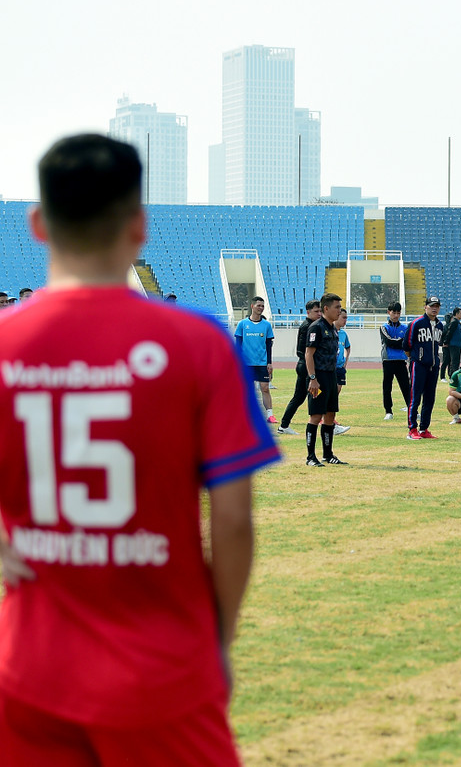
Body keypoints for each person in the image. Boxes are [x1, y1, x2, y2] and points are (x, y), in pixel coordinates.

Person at [0, 133, 278, 764]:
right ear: (139, 225)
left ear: (38, 224)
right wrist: (221, 640)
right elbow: (233, 520)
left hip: (28, 671)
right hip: (161, 669)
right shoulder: (198, 343)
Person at [303, 294, 346, 466]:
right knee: (315, 416)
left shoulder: (334, 329)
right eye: (336, 307)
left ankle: (327, 454)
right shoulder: (316, 328)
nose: (339, 310)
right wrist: (313, 378)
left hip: (330, 376)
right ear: (326, 309)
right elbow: (309, 354)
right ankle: (310, 457)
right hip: (318, 377)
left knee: (330, 415)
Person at [277, 299, 322, 435]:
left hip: (304, 365)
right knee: (317, 395)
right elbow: (301, 350)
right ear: (308, 312)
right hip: (306, 366)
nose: (319, 314)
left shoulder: (312, 325)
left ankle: (284, 425)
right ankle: (328, 423)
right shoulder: (308, 326)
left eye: (320, 311)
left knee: (299, 397)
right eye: (316, 311)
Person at [405, 296, 444, 440]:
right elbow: (407, 344)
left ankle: (424, 428)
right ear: (425, 307)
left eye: (437, 306)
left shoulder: (440, 325)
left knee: (430, 398)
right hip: (419, 365)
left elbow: (438, 344)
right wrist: (416, 358)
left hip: (433, 367)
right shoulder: (417, 323)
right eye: (432, 305)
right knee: (415, 398)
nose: (434, 308)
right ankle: (412, 429)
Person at [233, 295, 276, 424]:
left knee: (265, 388)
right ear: (252, 306)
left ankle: (270, 415)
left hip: (262, 363)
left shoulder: (266, 325)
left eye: (262, 306)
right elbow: (238, 344)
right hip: (246, 363)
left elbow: (269, 345)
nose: (261, 308)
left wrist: (269, 363)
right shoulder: (242, 324)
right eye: (258, 305)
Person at [379, 302, 410, 420]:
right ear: (388, 312)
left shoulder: (405, 328)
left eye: (398, 313)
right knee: (387, 387)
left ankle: (412, 409)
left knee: (406, 386)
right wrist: (400, 342)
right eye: (394, 312)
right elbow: (389, 342)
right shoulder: (384, 327)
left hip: (401, 360)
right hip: (388, 360)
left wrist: (399, 343)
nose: (396, 315)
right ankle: (388, 411)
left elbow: (406, 343)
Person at [331, 308, 352, 436]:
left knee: (336, 393)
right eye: (343, 317)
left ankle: (329, 417)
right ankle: (327, 418)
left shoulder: (343, 334)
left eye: (346, 318)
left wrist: (345, 362)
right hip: (329, 369)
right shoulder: (329, 331)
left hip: (340, 368)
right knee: (329, 393)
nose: (345, 320)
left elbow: (348, 348)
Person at [440, 307, 461, 380]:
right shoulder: (454, 322)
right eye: (460, 313)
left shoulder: (457, 322)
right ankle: (453, 377)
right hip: (454, 345)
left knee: (455, 361)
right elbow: (449, 332)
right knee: (454, 362)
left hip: (457, 345)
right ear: (456, 314)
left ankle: (452, 376)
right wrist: (445, 342)